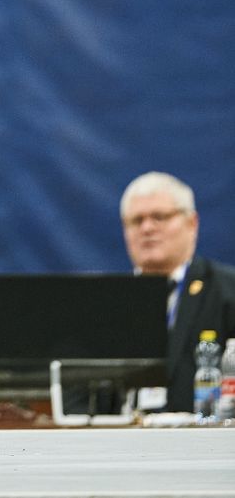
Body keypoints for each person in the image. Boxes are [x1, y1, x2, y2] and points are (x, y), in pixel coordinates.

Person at [120, 170, 235, 412]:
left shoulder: (228, 291)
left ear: (191, 223)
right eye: (137, 220)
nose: (147, 228)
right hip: (121, 431)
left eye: (159, 217)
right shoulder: (108, 302)